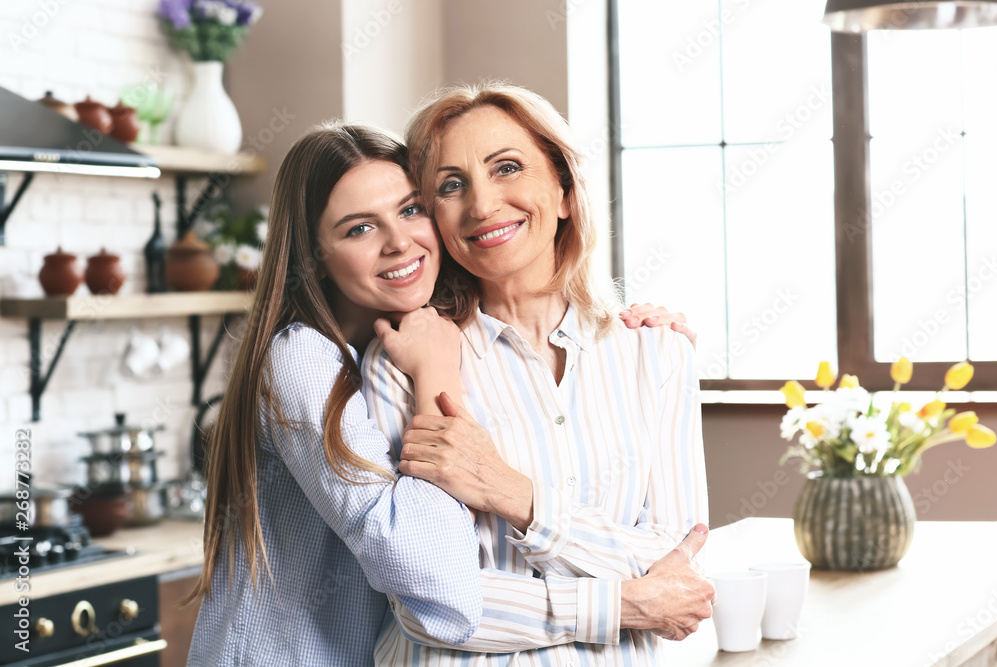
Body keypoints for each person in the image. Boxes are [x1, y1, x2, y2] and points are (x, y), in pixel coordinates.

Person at [185, 121, 696, 666]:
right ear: (313, 257)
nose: (399, 242)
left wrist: (638, 341)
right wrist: (436, 377)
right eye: (359, 229)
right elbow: (434, 582)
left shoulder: (402, 338)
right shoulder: (304, 360)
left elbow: (680, 556)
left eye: (410, 210)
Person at [363, 82, 714, 665]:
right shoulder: (406, 362)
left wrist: (512, 494)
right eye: (451, 185)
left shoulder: (657, 354)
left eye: (507, 168)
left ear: (564, 192)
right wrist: (624, 602)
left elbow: (680, 564)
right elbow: (424, 596)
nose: (481, 205)